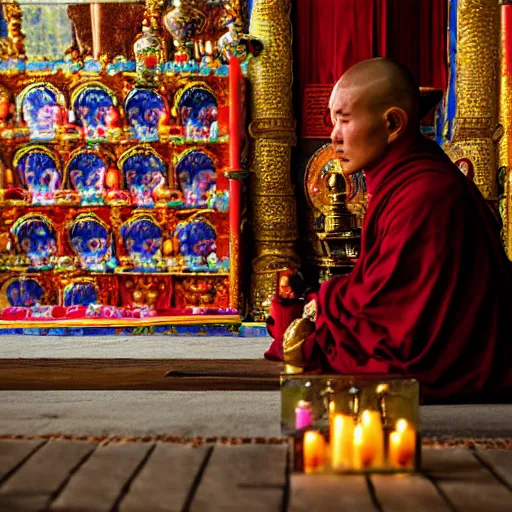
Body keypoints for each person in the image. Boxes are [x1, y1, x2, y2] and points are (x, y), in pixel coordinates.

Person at [265, 58, 512, 403]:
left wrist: (323, 305)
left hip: (452, 360)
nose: (333, 135)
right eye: (333, 120)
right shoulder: (400, 182)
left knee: (323, 346)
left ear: (393, 123)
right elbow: (381, 285)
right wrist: (323, 301)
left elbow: (399, 323)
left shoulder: (426, 194)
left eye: (345, 120)